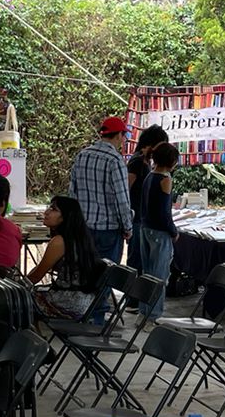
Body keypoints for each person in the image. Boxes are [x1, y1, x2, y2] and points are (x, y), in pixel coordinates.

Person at [27, 194, 104, 320]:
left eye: (53, 209)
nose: (46, 212)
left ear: (65, 217)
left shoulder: (59, 241)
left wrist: (16, 286)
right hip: (81, 300)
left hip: (68, 302)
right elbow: (39, 269)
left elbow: (37, 276)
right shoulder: (78, 238)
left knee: (15, 301)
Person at [70, 116, 134, 265]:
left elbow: (72, 192)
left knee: (86, 272)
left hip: (84, 227)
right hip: (108, 230)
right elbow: (122, 200)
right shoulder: (115, 160)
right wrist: (128, 227)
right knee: (106, 274)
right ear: (119, 135)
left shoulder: (82, 156)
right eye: (124, 135)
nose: (124, 139)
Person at [137, 142, 179, 316]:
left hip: (145, 228)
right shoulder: (165, 180)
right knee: (159, 276)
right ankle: (153, 315)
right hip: (160, 232)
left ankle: (143, 312)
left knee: (147, 274)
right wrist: (173, 231)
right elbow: (164, 213)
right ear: (171, 161)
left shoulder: (149, 176)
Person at [125, 124, 169, 274]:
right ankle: (132, 289)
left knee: (140, 260)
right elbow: (126, 188)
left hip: (141, 218)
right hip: (136, 217)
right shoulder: (137, 161)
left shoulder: (144, 161)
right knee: (136, 261)